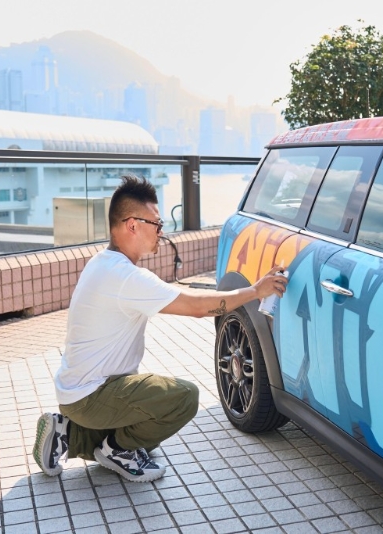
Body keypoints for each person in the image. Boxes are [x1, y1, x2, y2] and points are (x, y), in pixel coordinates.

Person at [32, 173, 288, 482]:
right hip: (92, 395)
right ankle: (118, 451)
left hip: (80, 392)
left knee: (148, 435)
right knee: (183, 398)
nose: (161, 231)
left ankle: (66, 434)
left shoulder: (103, 262)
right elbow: (197, 307)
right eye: (156, 223)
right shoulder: (125, 277)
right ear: (132, 225)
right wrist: (255, 291)